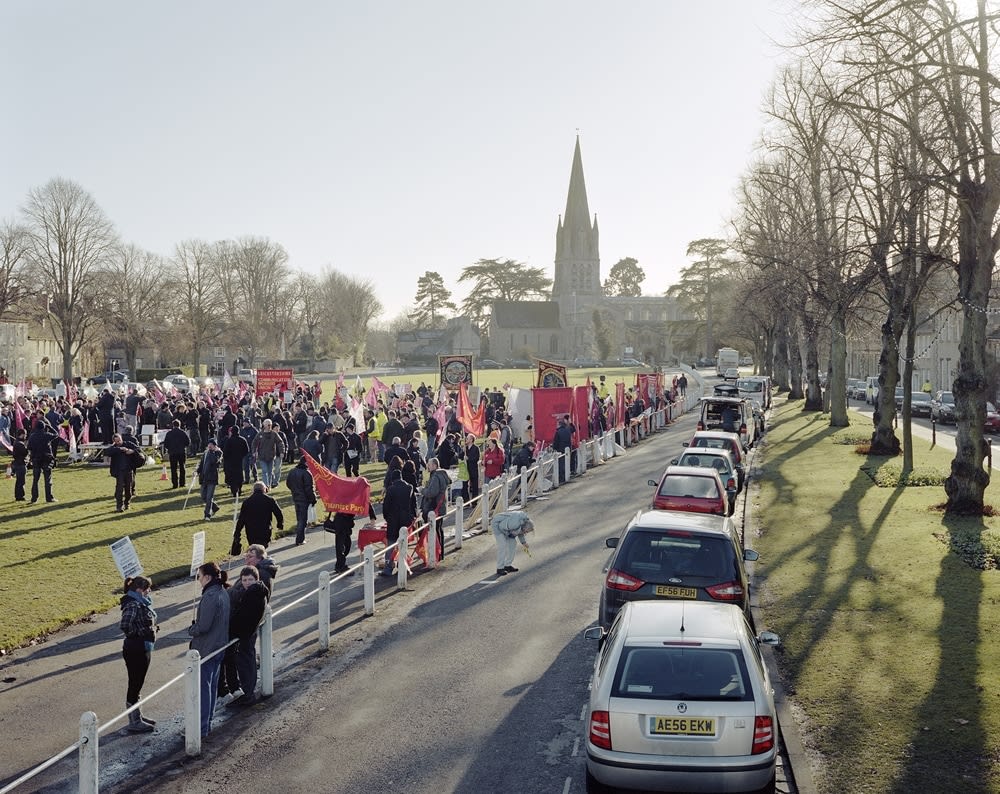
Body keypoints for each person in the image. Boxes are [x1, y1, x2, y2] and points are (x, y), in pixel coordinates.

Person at [187, 562, 230, 737]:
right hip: (219, 646)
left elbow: (203, 626)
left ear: (207, 577)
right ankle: (207, 723)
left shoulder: (211, 596)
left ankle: (201, 727)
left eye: (200, 576)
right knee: (211, 687)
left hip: (207, 648)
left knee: (204, 689)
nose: (198, 580)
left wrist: (192, 629)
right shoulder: (222, 591)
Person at [224, 566, 269, 707]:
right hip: (248, 633)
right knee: (247, 662)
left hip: (245, 634)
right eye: (244, 580)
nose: (247, 583)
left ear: (257, 579)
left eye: (250, 580)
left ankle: (248, 695)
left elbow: (244, 617)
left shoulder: (252, 594)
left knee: (246, 663)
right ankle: (248, 693)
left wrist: (232, 629)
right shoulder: (258, 591)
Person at [119, 575, 157, 733]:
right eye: (147, 589)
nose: (149, 591)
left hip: (143, 647)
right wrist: (142, 632)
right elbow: (125, 625)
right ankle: (134, 721)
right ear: (139, 590)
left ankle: (137, 716)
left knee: (138, 683)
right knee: (135, 684)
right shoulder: (133, 604)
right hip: (136, 648)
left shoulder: (140, 602)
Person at [231, 481, 285, 553]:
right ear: (264, 489)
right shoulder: (269, 500)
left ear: (253, 490)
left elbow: (241, 519)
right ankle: (260, 558)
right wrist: (280, 524)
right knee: (262, 548)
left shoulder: (247, 502)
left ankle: (256, 558)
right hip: (265, 529)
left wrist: (238, 532)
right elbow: (278, 513)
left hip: (251, 531)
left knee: (254, 548)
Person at [381, 468, 416, 577]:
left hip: (393, 520)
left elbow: (386, 505)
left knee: (391, 545)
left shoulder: (391, 489)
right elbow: (413, 503)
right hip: (405, 520)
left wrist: (386, 517)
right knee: (403, 544)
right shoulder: (409, 487)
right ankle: (403, 565)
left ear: (393, 479)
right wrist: (413, 516)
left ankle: (389, 567)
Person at [328, 503, 377, 573]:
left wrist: (372, 518)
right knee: (340, 546)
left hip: (347, 522)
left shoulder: (357, 496)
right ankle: (340, 566)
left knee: (347, 545)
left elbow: (366, 502)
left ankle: (340, 564)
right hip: (340, 521)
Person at [27, 420, 65, 503]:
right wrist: (50, 427)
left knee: (35, 480)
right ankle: (49, 497)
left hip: (36, 459)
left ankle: (34, 498)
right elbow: (56, 434)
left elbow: (29, 447)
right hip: (46, 459)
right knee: (47, 479)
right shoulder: (46, 435)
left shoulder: (32, 436)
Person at [421, 457, 450, 559]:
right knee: (439, 529)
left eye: (429, 464)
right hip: (440, 506)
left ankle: (436, 554)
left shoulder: (436, 476)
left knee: (435, 530)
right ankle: (440, 553)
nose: (428, 466)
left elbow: (431, 493)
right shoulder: (442, 475)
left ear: (434, 465)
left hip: (435, 507)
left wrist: (422, 490)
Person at [490, 510, 534, 577]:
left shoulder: (523, 523)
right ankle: (500, 568)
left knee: (513, 544)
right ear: (525, 527)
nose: (526, 533)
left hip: (507, 528)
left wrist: (523, 542)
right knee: (503, 545)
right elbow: (501, 527)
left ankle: (507, 565)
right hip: (498, 525)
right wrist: (508, 535)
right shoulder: (515, 523)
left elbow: (520, 531)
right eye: (527, 531)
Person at [105, 432, 141, 512]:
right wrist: (120, 449)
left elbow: (138, 449)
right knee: (119, 489)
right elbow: (107, 452)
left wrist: (132, 451)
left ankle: (127, 503)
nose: (119, 442)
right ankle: (119, 506)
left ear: (122, 439)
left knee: (128, 489)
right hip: (119, 472)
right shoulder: (114, 448)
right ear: (114, 441)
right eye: (117, 441)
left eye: (119, 440)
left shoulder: (128, 444)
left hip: (129, 470)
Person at [286, 457, 316, 546]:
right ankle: (300, 539)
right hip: (304, 499)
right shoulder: (306, 473)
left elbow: (288, 484)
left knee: (299, 518)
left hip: (296, 497)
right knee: (303, 520)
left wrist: (295, 490)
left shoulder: (292, 471)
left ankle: (300, 537)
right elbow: (309, 489)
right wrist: (313, 499)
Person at [252, 419, 286, 489]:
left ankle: (269, 486)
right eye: (268, 425)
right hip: (262, 456)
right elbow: (254, 443)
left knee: (270, 472)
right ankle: (266, 486)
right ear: (264, 425)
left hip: (271, 456)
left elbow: (280, 442)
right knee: (264, 471)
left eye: (270, 425)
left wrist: (282, 452)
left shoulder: (274, 434)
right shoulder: (260, 434)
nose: (269, 426)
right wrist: (254, 452)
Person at [223, 426, 250, 499]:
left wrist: (226, 458)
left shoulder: (229, 440)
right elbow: (247, 450)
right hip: (239, 460)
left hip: (230, 461)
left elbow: (225, 452)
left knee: (232, 476)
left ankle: (234, 491)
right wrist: (241, 455)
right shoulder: (242, 439)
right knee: (239, 475)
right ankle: (239, 489)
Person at [198, 438, 222, 520]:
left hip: (212, 479)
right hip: (204, 478)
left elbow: (215, 462)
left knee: (209, 497)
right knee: (203, 496)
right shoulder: (205, 453)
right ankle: (214, 507)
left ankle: (207, 514)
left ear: (215, 446)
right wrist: (197, 471)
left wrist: (213, 452)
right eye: (209, 444)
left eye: (211, 444)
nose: (209, 446)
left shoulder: (218, 453)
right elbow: (202, 464)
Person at [163, 419, 190, 489]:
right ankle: (182, 483)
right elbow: (188, 442)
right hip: (181, 452)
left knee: (173, 469)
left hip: (172, 453)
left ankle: (175, 484)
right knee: (182, 468)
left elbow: (165, 444)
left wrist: (169, 448)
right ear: (179, 425)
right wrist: (183, 446)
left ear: (173, 425)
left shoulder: (169, 433)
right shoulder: (183, 432)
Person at [10, 428, 28, 502]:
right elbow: (25, 453)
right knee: (21, 481)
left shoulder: (17, 442)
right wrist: (27, 448)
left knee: (19, 481)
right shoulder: (19, 444)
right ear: (22, 434)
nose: (26, 436)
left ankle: (18, 495)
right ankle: (20, 496)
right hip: (20, 464)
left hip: (18, 463)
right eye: (25, 434)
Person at [462, 433, 480, 501]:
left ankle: (474, 501)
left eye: (467, 438)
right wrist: (462, 451)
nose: (466, 439)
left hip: (473, 469)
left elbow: (476, 458)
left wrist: (468, 458)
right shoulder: (465, 448)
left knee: (474, 485)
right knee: (464, 485)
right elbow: (460, 456)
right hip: (466, 469)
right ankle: (466, 500)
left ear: (471, 440)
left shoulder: (476, 448)